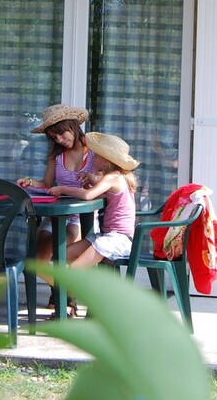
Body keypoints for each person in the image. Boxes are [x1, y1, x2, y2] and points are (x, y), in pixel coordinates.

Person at [49, 131, 139, 315]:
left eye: (96, 156)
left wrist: (63, 188)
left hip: (117, 240)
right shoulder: (119, 176)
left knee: (73, 270)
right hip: (107, 237)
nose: (93, 158)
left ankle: (67, 309)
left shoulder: (112, 178)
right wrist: (91, 181)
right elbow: (98, 191)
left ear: (106, 161)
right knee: (60, 257)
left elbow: (88, 196)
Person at [17, 104, 94, 263]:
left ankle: (64, 287)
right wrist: (29, 182)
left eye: (60, 133)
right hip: (56, 216)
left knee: (61, 254)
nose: (59, 140)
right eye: (53, 137)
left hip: (82, 217)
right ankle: (63, 288)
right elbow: (46, 183)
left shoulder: (94, 150)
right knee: (37, 261)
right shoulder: (57, 155)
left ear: (71, 126)